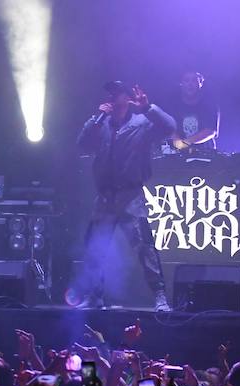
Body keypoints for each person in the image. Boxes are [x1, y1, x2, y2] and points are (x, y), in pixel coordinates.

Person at [75, 80, 176, 311]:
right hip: (104, 197)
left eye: (118, 93)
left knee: (144, 247)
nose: (112, 97)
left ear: (128, 98)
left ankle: (160, 296)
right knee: (94, 247)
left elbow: (170, 127)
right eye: (110, 93)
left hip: (130, 196)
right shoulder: (102, 124)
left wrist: (149, 108)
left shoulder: (142, 124)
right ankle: (94, 296)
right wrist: (94, 119)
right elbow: (81, 144)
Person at [167, 71, 219, 155]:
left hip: (205, 153)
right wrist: (176, 140)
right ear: (181, 83)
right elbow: (169, 127)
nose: (190, 84)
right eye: (186, 81)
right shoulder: (173, 105)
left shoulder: (210, 105)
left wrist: (185, 143)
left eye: (194, 80)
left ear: (201, 83)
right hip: (179, 154)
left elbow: (210, 131)